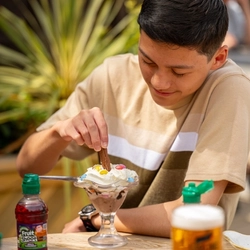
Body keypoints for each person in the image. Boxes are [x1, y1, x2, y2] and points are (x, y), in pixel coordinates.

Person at [16, 0, 250, 237]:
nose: (159, 82)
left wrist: (97, 218)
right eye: (148, 61)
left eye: (179, 72)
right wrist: (59, 133)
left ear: (218, 59)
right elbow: (27, 167)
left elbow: (193, 211)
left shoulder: (227, 88)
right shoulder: (113, 77)